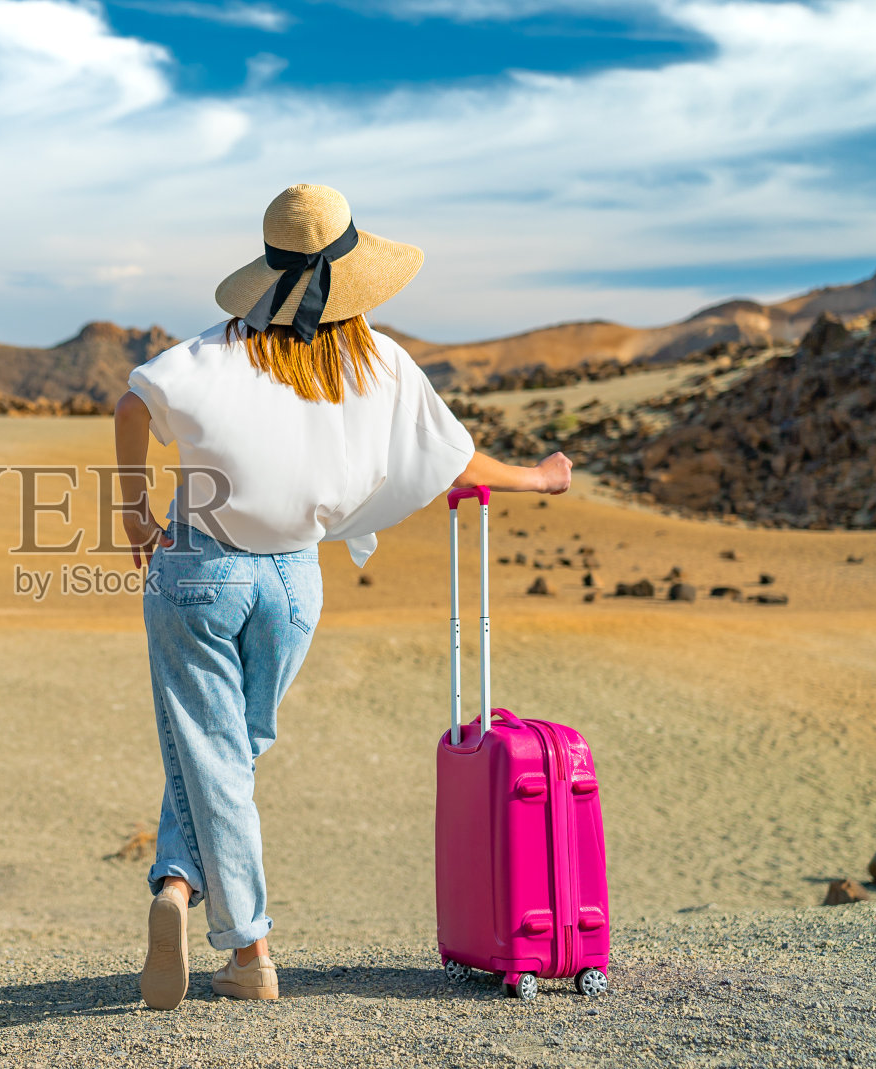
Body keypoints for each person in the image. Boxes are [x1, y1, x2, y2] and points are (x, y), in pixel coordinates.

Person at [114, 184, 571, 1010]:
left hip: (201, 568)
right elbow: (457, 463)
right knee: (235, 750)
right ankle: (180, 887)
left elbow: (132, 401)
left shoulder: (216, 350)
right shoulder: (378, 362)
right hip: (293, 583)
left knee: (212, 750)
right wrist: (539, 478)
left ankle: (241, 940)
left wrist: (132, 509)